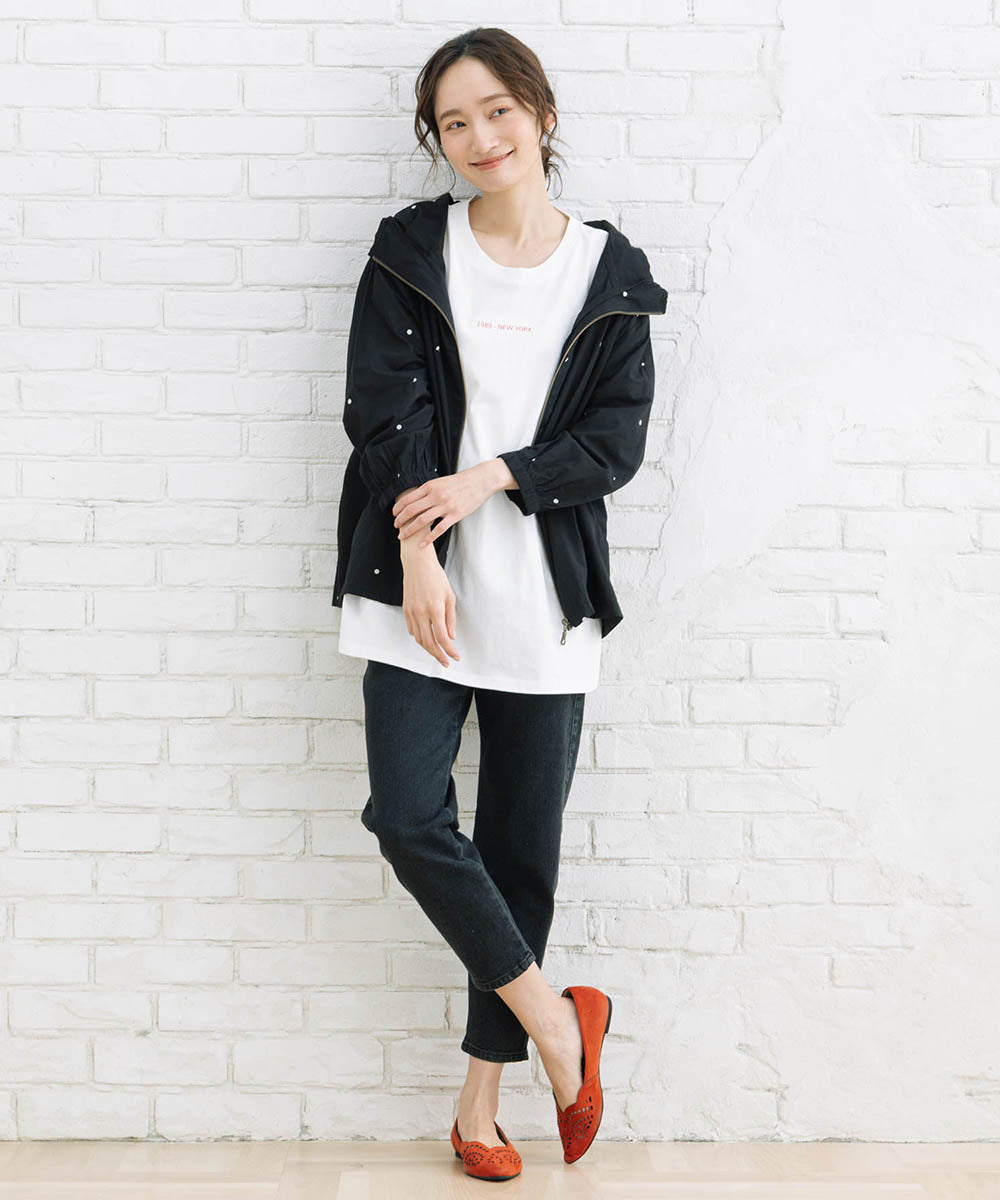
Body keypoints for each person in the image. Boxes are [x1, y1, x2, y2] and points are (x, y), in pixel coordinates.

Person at [331, 26, 669, 1181]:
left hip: (543, 599)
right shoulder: (410, 249)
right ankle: (562, 1028)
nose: (479, 137)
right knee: (407, 816)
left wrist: (487, 479)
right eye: (454, 122)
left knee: (518, 854)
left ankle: (480, 1107)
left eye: (497, 112)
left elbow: (611, 444)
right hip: (414, 586)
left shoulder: (607, 272)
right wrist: (420, 550)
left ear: (541, 113)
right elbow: (380, 411)